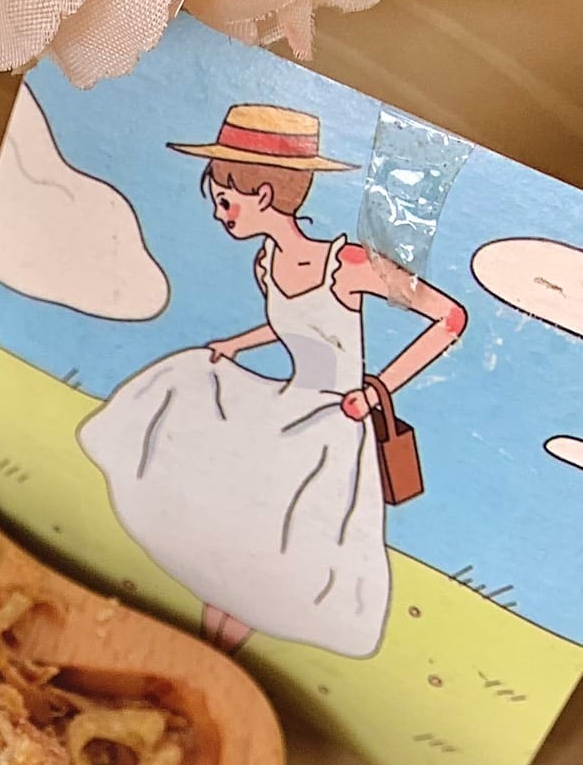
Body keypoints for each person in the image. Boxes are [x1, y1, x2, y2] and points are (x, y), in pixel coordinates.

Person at [78, 104, 467, 656]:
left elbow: (450, 318)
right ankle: (205, 654)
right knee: (233, 537)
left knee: (277, 556)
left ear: (262, 194)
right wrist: (238, 344)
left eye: (225, 200)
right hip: (286, 411)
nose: (219, 214)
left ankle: (216, 658)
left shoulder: (347, 264)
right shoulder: (266, 260)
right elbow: (296, 326)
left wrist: (373, 390)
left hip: (332, 426)